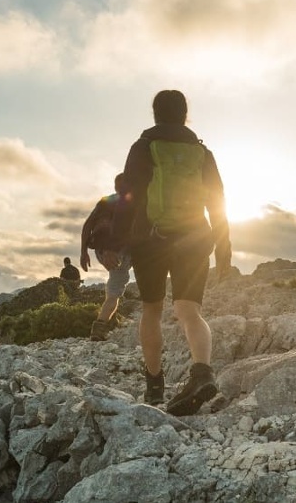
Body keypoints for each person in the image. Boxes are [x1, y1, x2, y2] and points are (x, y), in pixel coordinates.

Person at [122, 89, 231, 416]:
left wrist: (119, 242)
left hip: (151, 240)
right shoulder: (202, 152)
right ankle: (202, 373)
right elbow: (218, 201)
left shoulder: (142, 147)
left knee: (152, 310)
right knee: (189, 311)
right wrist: (224, 249)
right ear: (185, 115)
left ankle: (154, 387)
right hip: (196, 238)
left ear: (155, 113)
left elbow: (128, 196)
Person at [79, 174, 133, 341]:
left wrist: (83, 252)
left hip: (103, 251)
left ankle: (99, 327)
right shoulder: (132, 200)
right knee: (116, 290)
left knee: (113, 293)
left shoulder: (105, 201)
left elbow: (88, 224)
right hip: (121, 250)